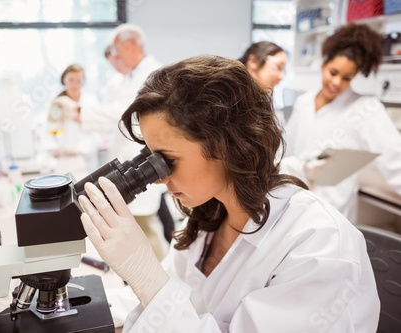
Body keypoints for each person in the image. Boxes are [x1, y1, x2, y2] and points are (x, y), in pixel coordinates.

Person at [77, 55, 379, 332]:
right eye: (151, 158)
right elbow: (173, 306)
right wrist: (77, 308)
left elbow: (164, 300)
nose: (157, 179)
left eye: (167, 160)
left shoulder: (318, 247)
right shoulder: (207, 218)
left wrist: (147, 277)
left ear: (225, 145)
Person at [282, 23, 401, 224]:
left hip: (331, 213)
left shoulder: (365, 108)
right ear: (323, 65)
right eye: (333, 72)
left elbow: (395, 159)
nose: (337, 82)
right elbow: (289, 147)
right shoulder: (304, 102)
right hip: (295, 202)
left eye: (347, 78)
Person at [100, 23, 169, 260]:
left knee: (145, 228)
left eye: (118, 49)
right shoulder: (130, 76)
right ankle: (139, 281)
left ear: (131, 44)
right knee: (133, 228)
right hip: (131, 160)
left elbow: (124, 111)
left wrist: (80, 110)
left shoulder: (153, 73)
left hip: (142, 160)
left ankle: (159, 284)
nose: (116, 55)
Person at [46, 63, 103, 171]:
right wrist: (55, 148)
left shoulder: (91, 102)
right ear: (64, 80)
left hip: (87, 159)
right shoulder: (57, 103)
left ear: (83, 82)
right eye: (71, 80)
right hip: (62, 158)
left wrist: (80, 149)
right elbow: (50, 129)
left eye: (79, 81)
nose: (74, 84)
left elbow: (97, 133)